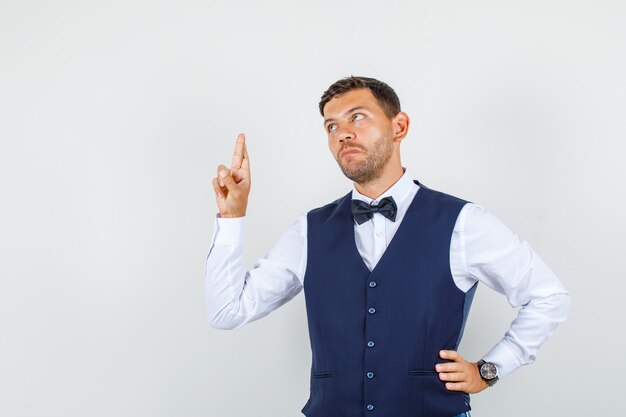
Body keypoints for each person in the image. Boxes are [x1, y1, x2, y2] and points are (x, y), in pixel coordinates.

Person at [205, 76, 571, 417]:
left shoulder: (463, 222)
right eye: (331, 127)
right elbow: (227, 312)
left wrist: (490, 369)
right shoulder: (308, 230)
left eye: (357, 118)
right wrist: (232, 218)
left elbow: (548, 296)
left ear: (399, 127)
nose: (342, 134)